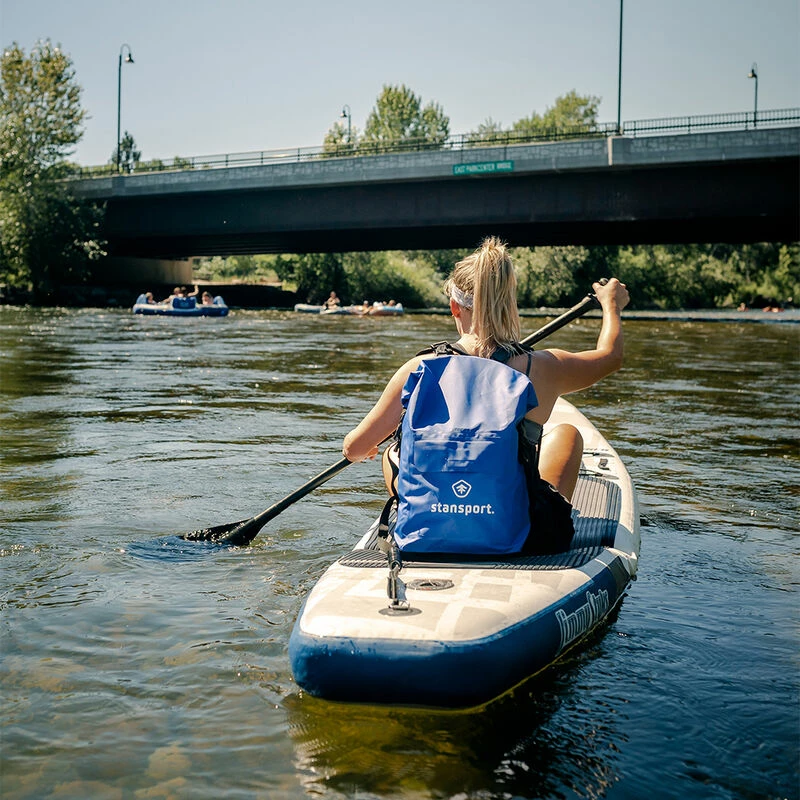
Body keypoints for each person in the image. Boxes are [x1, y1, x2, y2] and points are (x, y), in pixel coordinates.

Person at [342, 236, 629, 554]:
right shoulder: (543, 367)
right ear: (509, 304)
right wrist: (611, 305)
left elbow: (353, 448)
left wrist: (372, 446)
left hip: (424, 535)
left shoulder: (417, 369)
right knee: (566, 434)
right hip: (522, 539)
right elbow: (610, 356)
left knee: (391, 452)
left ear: (454, 307)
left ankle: (429, 512)